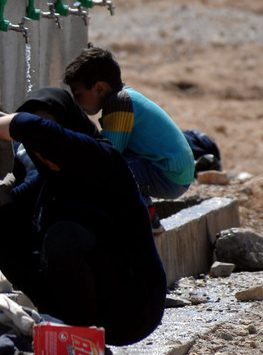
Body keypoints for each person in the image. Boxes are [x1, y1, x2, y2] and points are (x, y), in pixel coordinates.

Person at [0, 87, 165, 347]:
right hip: (92, 307)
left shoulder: (102, 159)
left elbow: (40, 132)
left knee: (64, 236)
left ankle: (78, 342)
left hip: (135, 306)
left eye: (53, 130)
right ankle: (63, 330)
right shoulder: (47, 183)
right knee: (6, 239)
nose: (44, 147)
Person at [62, 45, 194, 231]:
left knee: (105, 171)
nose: (77, 102)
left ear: (99, 88)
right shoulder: (125, 97)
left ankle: (143, 220)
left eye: (78, 94)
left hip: (168, 175)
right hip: (174, 172)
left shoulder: (119, 103)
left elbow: (108, 154)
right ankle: (147, 216)